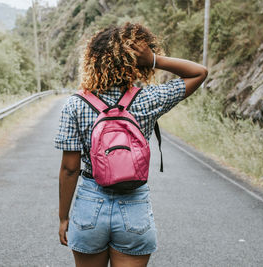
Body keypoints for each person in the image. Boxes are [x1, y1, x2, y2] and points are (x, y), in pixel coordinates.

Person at [54, 22, 208, 267]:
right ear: (135, 63)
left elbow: (70, 169)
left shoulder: (75, 104)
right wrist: (155, 59)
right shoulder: (147, 99)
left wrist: (63, 217)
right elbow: (198, 72)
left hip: (90, 204)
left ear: (93, 60)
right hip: (134, 204)